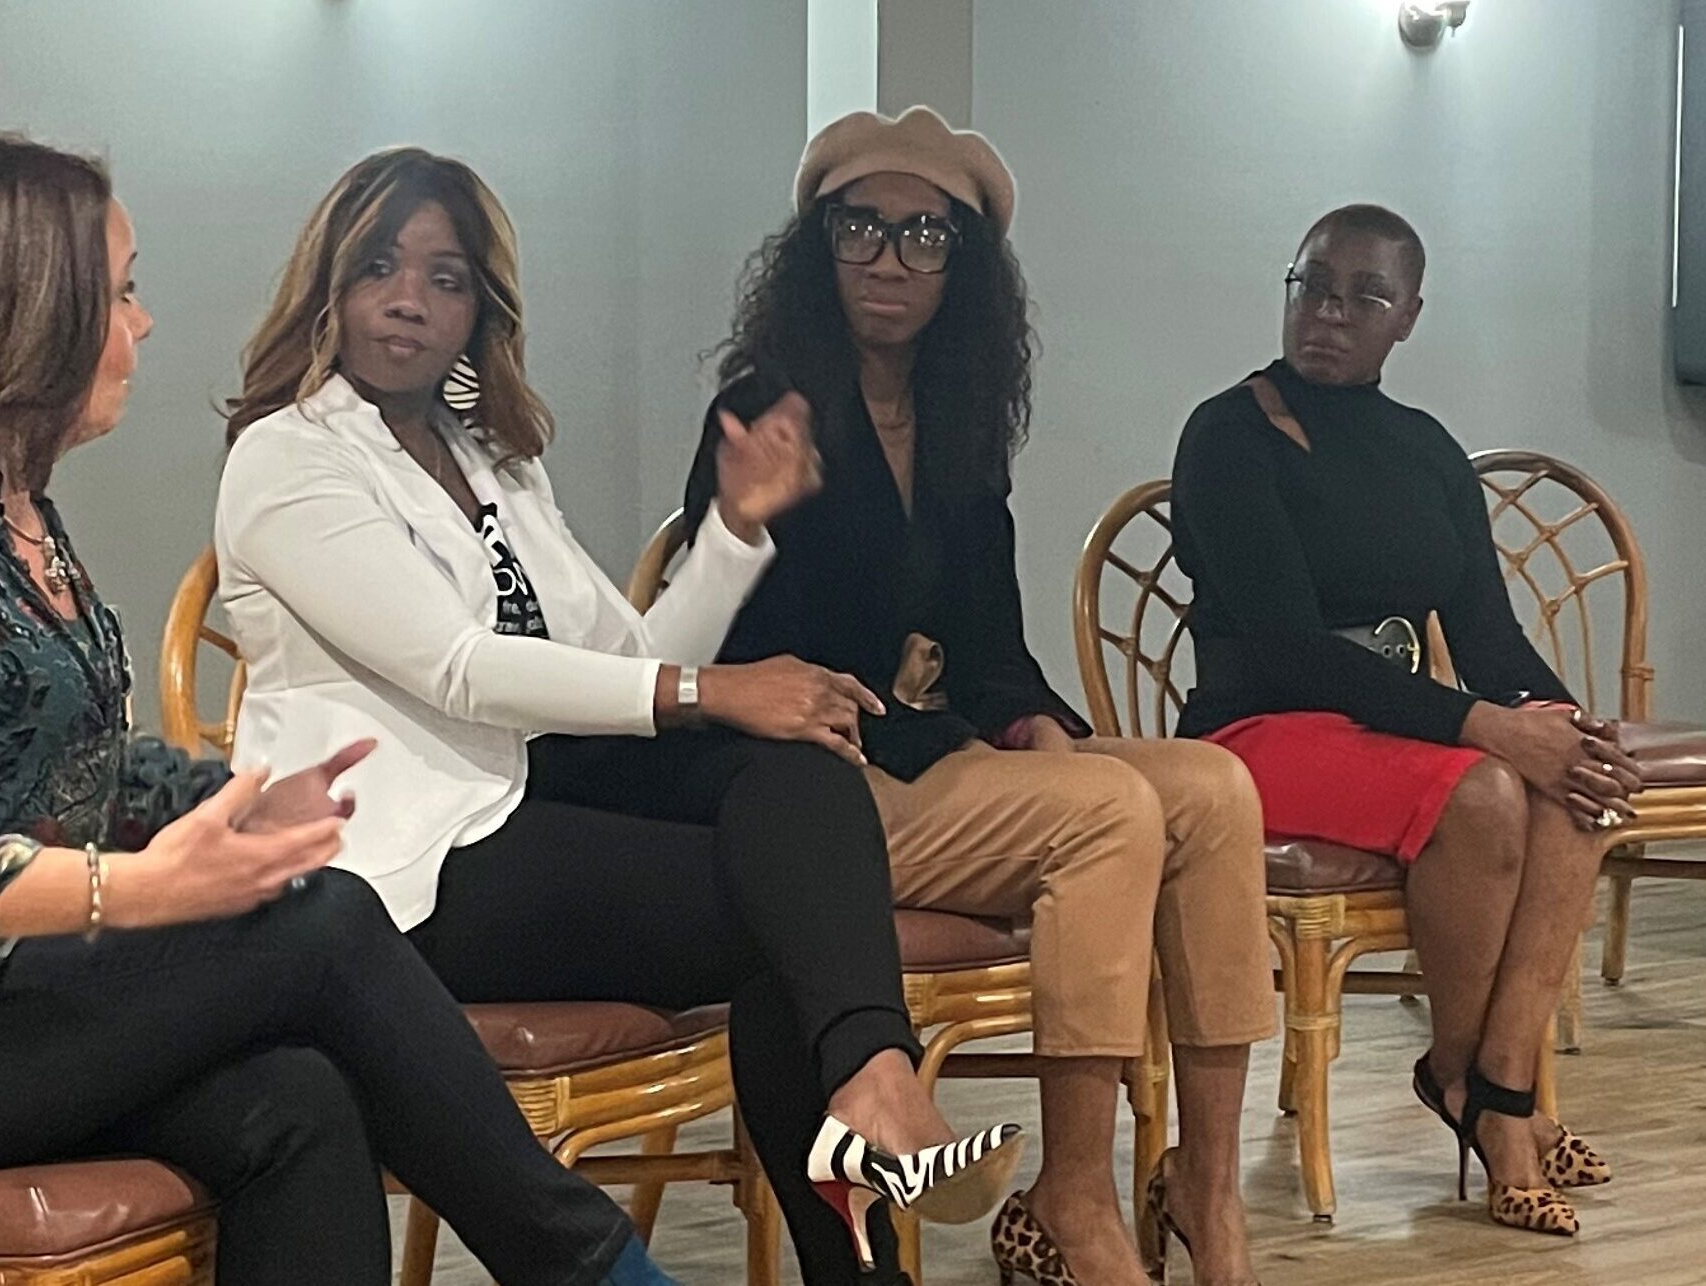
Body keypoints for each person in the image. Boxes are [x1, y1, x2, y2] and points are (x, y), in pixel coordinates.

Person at [0, 128, 678, 1286]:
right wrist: (136, 885)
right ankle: (598, 1270)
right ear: (21, 318)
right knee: (321, 919)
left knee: (299, 1097)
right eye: (121, 293)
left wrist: (230, 804)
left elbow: (61, 762)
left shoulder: (4, 506)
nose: (141, 326)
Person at [215, 146, 1024, 1286]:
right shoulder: (286, 458)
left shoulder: (490, 458)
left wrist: (737, 530)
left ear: (478, 310)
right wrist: (713, 690)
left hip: (531, 795)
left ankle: (875, 1085)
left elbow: (631, 658)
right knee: (790, 920)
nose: (410, 299)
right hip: (403, 866)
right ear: (329, 286)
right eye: (381, 267)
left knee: (794, 776)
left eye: (447, 278)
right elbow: (459, 667)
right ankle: (871, 1151)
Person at [684, 107, 1275, 1286]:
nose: (891, 260)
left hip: (937, 752)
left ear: (967, 267)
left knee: (1211, 784)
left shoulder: (957, 422)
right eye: (862, 230)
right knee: (1106, 813)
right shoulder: (769, 407)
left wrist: (1038, 722)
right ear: (821, 248)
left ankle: (1205, 1195)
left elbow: (988, 646)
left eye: (924, 236)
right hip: (821, 793)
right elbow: (736, 646)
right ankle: (1073, 1197)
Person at [1172, 203, 1638, 1238]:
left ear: (1409, 316)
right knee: (1482, 785)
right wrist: (1491, 729)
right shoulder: (1228, 432)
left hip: (1389, 725)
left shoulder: (1427, 450)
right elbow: (1292, 647)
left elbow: (1485, 630)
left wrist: (1559, 719)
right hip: (1257, 729)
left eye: (1362, 296)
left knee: (1571, 785)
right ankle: (1472, 1086)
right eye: (1311, 286)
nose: (1328, 313)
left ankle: (1499, 1085)